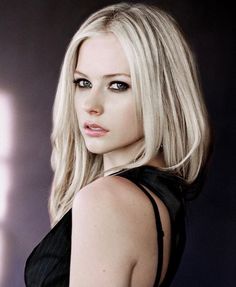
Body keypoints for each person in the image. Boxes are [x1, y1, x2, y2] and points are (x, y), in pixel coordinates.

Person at [24, 2, 213, 286]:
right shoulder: (156, 198)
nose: (91, 105)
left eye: (118, 85)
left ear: (160, 93)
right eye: (83, 83)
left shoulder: (106, 201)